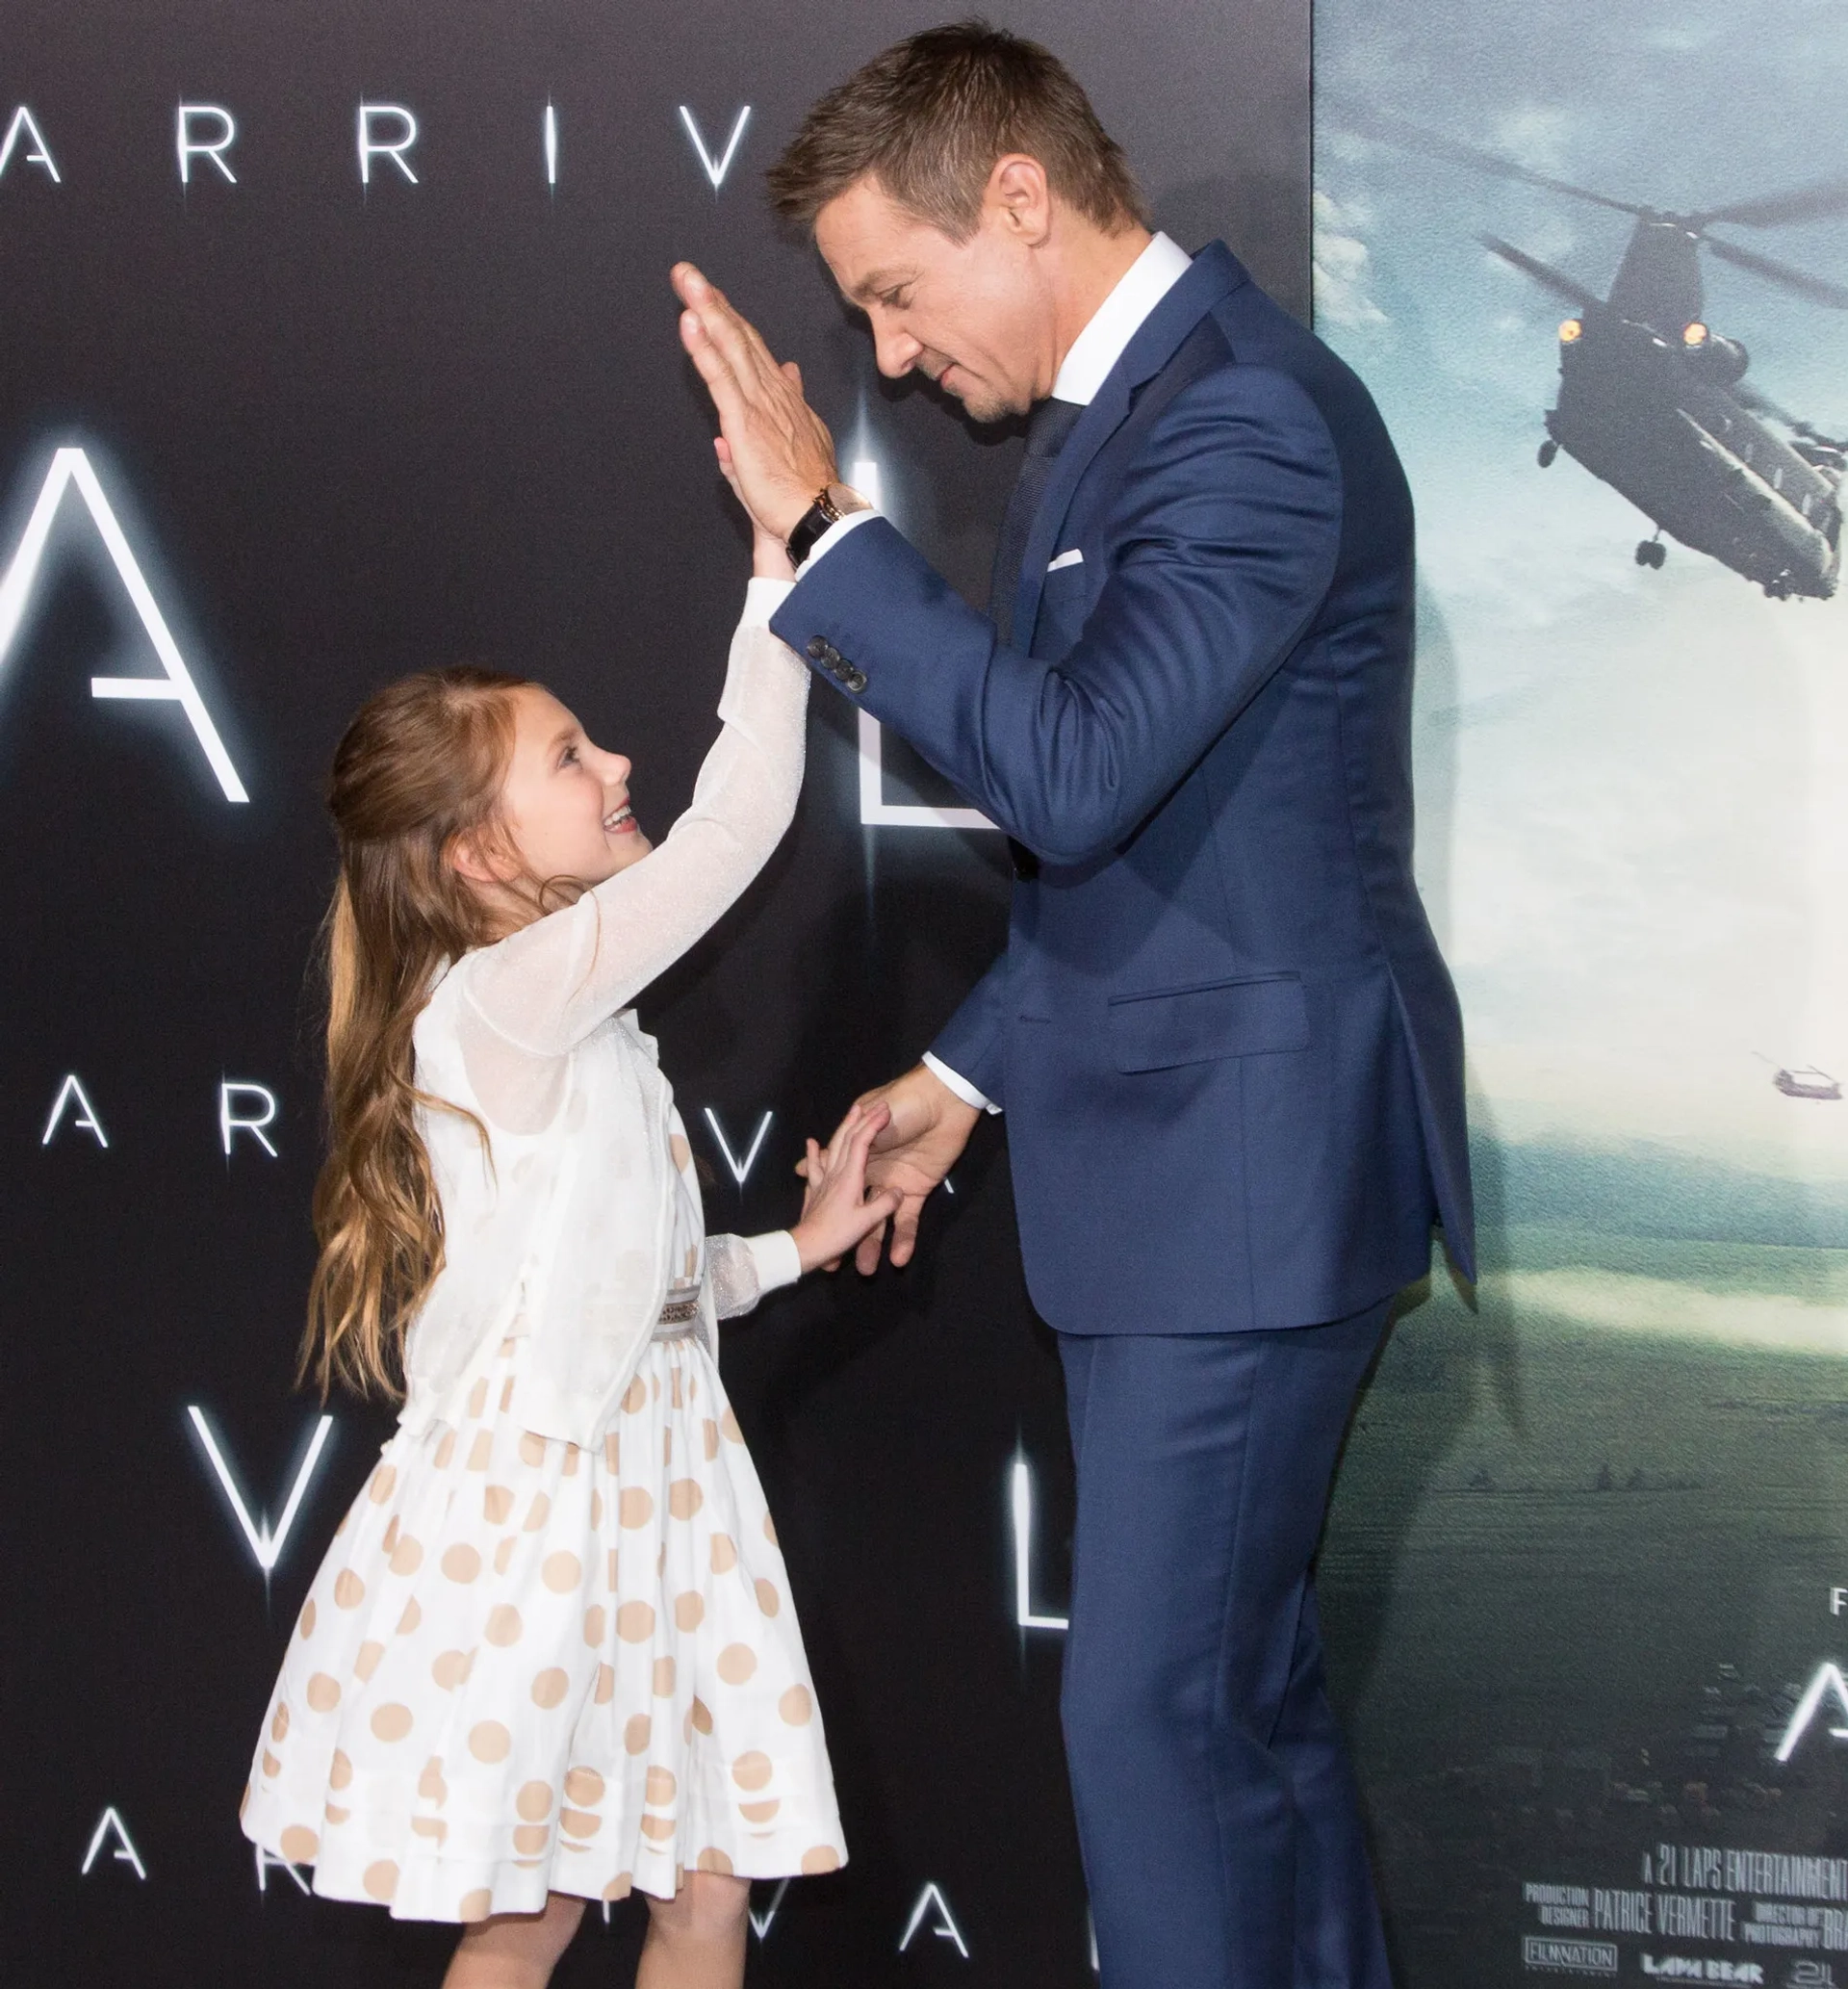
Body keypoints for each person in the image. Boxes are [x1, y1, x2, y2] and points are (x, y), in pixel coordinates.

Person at [670, 20, 1474, 1989]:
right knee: (1235, 1728)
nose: (884, 357)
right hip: (1185, 1183)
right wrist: (966, 1069)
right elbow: (1176, 859)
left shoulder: (1249, 423)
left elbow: (1076, 775)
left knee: (1157, 1730)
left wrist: (828, 538)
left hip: (1249, 1194)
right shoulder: (1116, 431)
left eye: (894, 292)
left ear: (1016, 199)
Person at [239, 512, 894, 1989]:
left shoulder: (575, 1016)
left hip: (669, 1489)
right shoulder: (505, 1000)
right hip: (548, 1520)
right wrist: (782, 574)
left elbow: (638, 1290)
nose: (619, 771)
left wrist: (793, 1246)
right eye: (571, 760)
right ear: (478, 852)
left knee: (709, 1892)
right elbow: (737, 828)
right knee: (529, 1914)